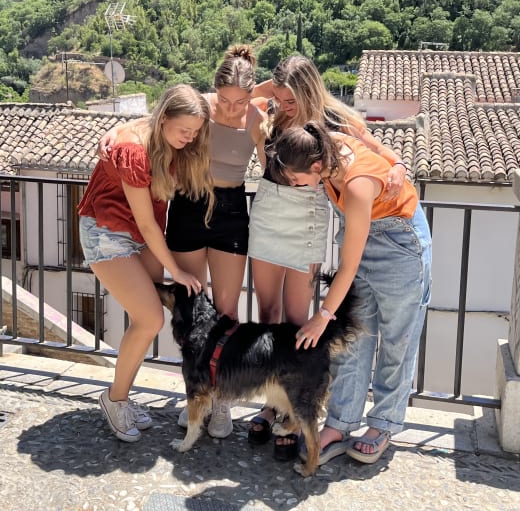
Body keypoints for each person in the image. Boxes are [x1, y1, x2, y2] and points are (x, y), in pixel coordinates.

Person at [99, 45, 266, 439]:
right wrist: (117, 129)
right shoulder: (202, 108)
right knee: (191, 308)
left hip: (230, 211)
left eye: (240, 101)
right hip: (189, 204)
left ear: (251, 95)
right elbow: (162, 119)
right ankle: (197, 396)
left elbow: (273, 162)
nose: (229, 108)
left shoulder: (257, 117)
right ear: (215, 92)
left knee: (225, 311)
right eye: (224, 99)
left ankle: (221, 400)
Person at [246, 55, 408, 457]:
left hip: (308, 217)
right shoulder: (271, 113)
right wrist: (276, 85)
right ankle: (271, 400)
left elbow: (380, 150)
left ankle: (293, 409)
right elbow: (239, 96)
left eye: (290, 99)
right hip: (269, 214)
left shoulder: (335, 121)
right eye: (279, 99)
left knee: (298, 319)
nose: (283, 107)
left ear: (307, 90)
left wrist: (399, 164)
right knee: (267, 313)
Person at [269, 121, 432, 466]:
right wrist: (397, 163)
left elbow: (348, 267)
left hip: (398, 245)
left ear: (315, 167)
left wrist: (323, 316)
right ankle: (341, 424)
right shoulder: (326, 145)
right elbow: (377, 144)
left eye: (296, 180)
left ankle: (383, 424)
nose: (295, 186)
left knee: (397, 340)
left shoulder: (357, 185)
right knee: (353, 339)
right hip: (363, 238)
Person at [78, 84, 213, 443]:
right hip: (107, 232)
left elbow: (216, 99)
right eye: (185, 130)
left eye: (196, 131)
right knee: (151, 318)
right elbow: (150, 224)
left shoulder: (159, 130)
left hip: (138, 233)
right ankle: (114, 399)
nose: (190, 137)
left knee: (145, 320)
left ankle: (121, 397)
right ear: (164, 117)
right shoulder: (133, 150)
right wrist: (178, 271)